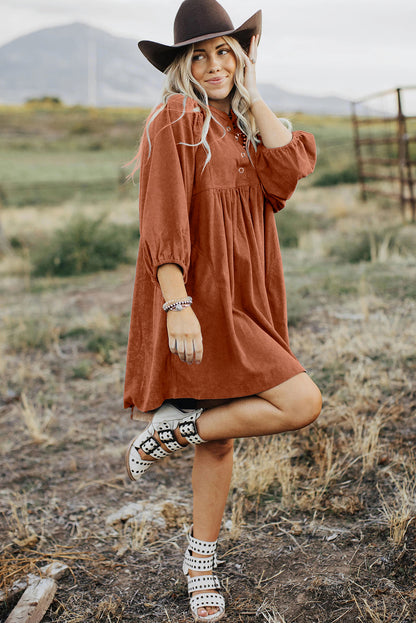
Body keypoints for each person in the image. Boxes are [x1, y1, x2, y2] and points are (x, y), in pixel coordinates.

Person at [124, 0, 322, 620]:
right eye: (199, 55)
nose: (213, 66)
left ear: (242, 56)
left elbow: (287, 174)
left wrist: (255, 93)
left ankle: (198, 551)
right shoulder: (175, 119)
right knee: (300, 402)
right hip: (202, 298)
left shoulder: (243, 123)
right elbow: (160, 220)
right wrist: (177, 302)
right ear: (181, 64)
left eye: (225, 52)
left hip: (252, 295)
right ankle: (200, 559)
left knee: (219, 438)